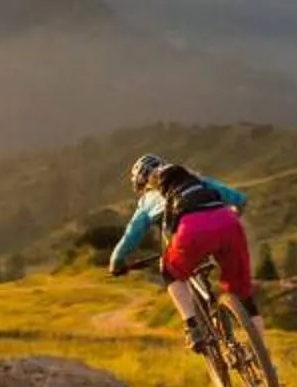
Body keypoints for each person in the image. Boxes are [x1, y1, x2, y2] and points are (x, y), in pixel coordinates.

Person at [108, 152, 260, 355]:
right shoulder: (195, 179)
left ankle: (192, 327)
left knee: (169, 270)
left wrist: (116, 262)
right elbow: (239, 199)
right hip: (228, 224)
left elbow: (132, 236)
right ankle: (264, 359)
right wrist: (227, 218)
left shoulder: (148, 199)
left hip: (190, 233)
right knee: (244, 296)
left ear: (143, 184)